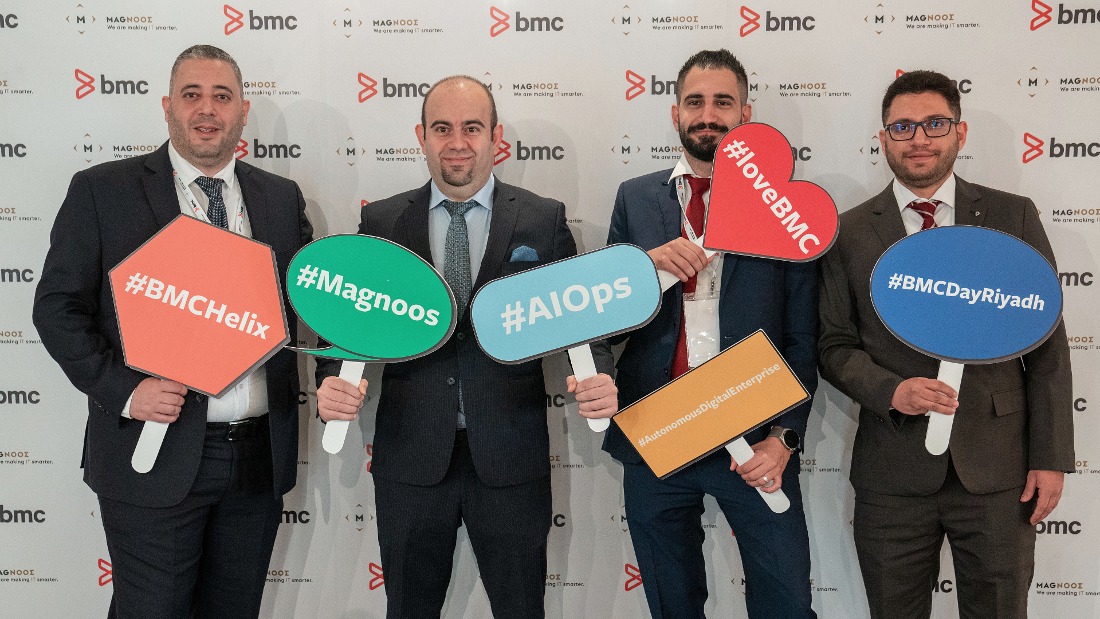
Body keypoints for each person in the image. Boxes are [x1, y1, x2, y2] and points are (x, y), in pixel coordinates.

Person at [315, 75, 618, 619]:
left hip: (510, 456)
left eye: (472, 127)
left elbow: (580, 318)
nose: (458, 141)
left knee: (522, 609)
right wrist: (330, 384)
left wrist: (597, 374)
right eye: (443, 128)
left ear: (496, 136)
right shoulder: (381, 221)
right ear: (422, 136)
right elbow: (346, 326)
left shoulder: (543, 218)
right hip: (410, 460)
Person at [32, 45, 312, 618]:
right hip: (151, 457)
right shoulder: (103, 191)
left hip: (257, 460)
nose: (206, 110)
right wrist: (126, 391)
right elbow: (58, 308)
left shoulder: (281, 200)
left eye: (221, 96)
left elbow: (314, 311)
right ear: (166, 107)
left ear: (243, 111)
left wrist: (337, 374)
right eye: (191, 95)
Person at [818, 69, 1074, 619]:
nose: (919, 138)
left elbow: (1047, 348)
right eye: (903, 126)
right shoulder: (850, 231)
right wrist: (893, 390)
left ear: (960, 132)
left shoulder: (1013, 217)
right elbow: (834, 346)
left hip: (999, 472)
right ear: (883, 138)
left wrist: (1051, 458)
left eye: (934, 123)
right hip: (893, 473)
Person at [601, 49, 819, 618]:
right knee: (673, 606)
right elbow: (604, 318)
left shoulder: (786, 207)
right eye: (695, 102)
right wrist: (644, 271)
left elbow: (801, 337)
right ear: (675, 114)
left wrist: (786, 436)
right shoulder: (636, 198)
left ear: (746, 113)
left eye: (723, 102)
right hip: (657, 431)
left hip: (752, 433)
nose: (708, 114)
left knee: (787, 603)